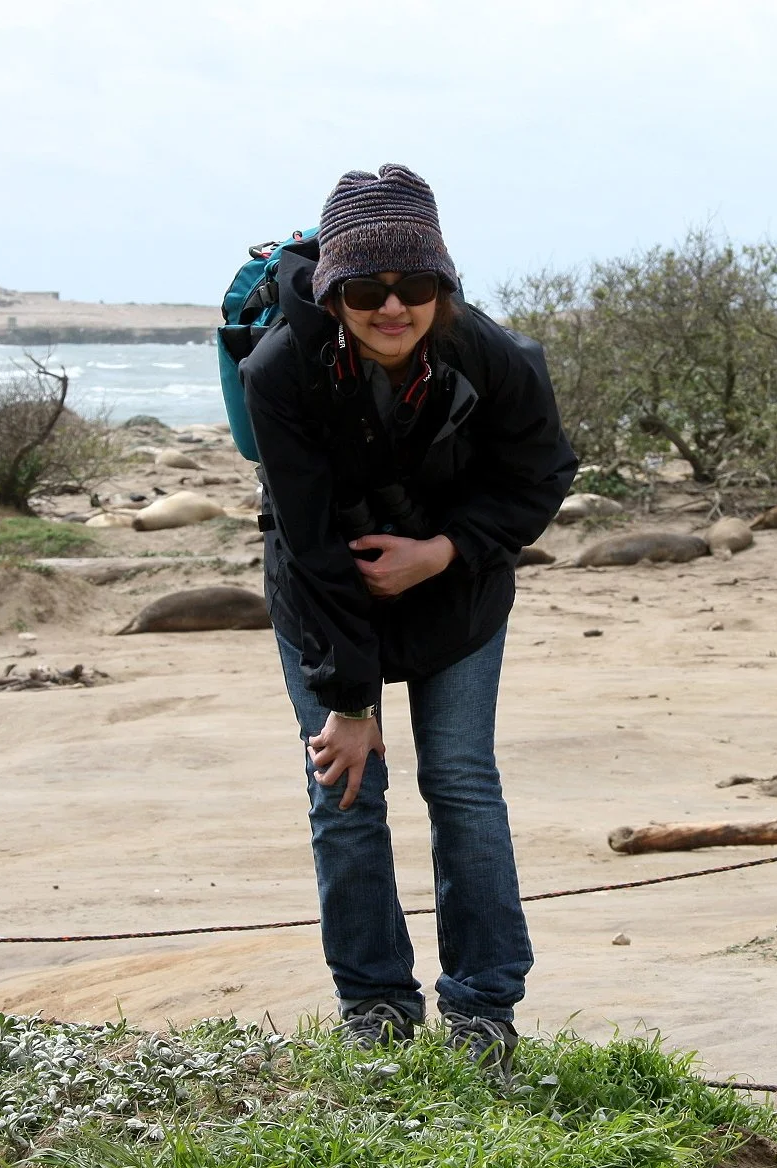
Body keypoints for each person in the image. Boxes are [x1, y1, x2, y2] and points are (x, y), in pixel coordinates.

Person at [242, 164, 576, 1078]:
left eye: (416, 286)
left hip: (456, 587)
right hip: (323, 592)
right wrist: (348, 702)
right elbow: (307, 544)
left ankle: (482, 1010)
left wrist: (444, 551)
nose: (394, 308)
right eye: (366, 289)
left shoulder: (497, 356)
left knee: (462, 779)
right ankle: (375, 1007)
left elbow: (542, 473)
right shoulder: (278, 371)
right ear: (331, 290)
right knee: (343, 789)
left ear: (444, 285)